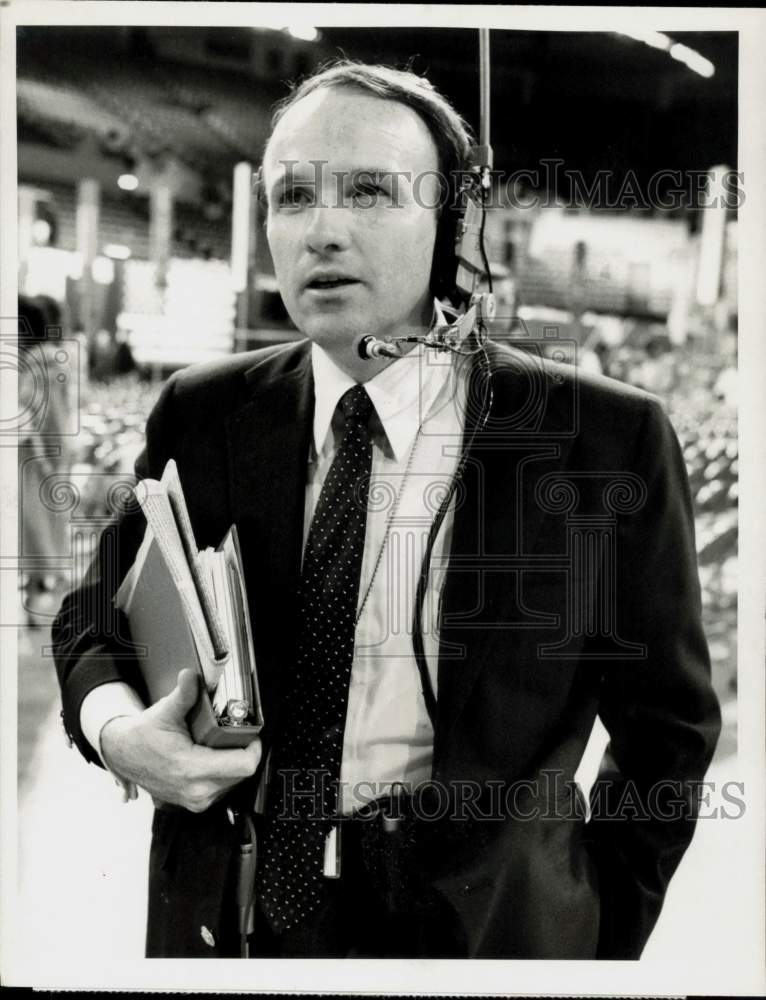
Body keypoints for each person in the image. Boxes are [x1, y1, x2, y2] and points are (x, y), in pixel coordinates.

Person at [52, 61, 721, 960]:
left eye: (369, 191)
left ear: (452, 224)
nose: (322, 231)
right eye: (292, 197)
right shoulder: (205, 414)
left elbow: (668, 732)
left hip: (492, 946)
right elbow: (91, 622)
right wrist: (119, 732)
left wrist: (595, 936)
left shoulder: (601, 440)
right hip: (237, 929)